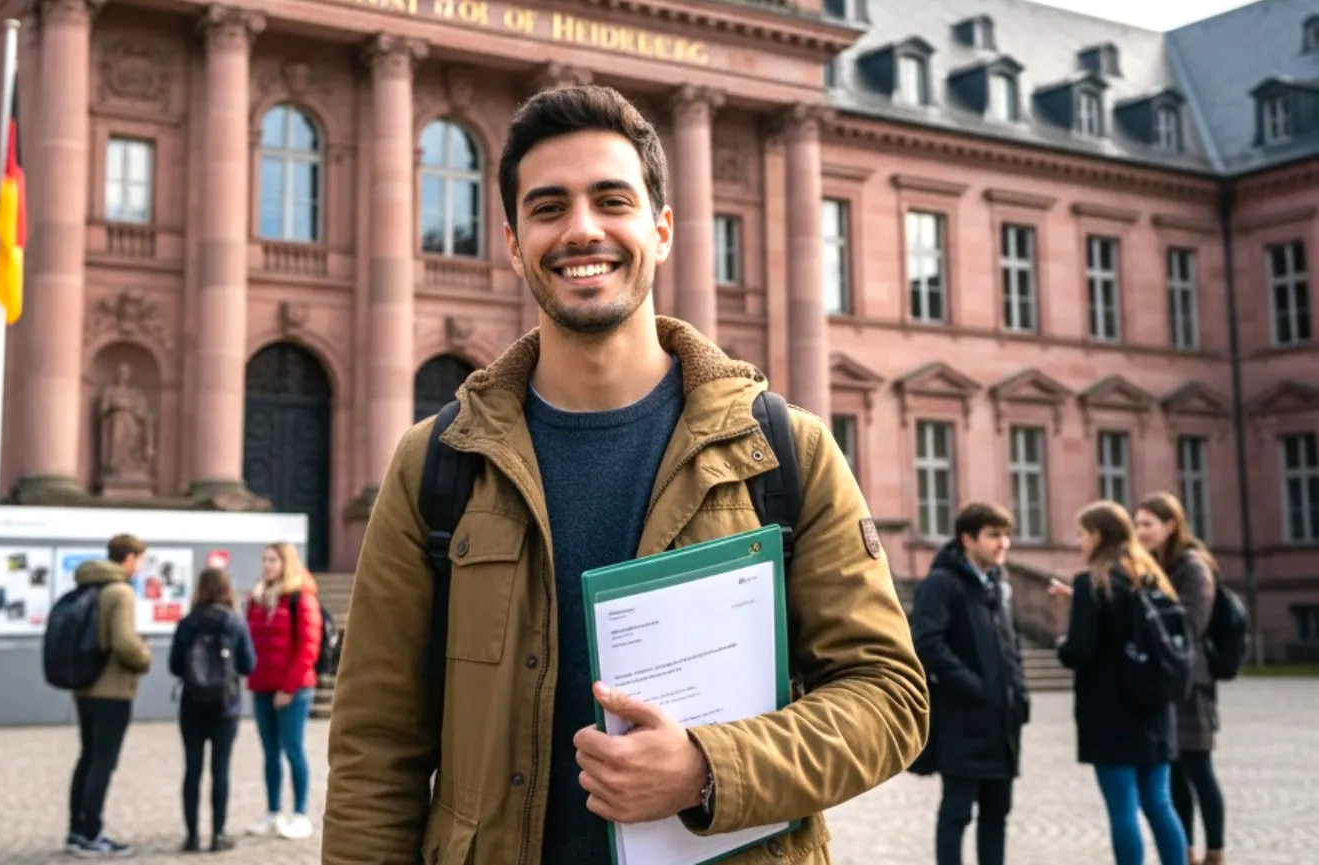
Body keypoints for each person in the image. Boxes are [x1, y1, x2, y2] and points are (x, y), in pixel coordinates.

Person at [322, 84, 929, 865]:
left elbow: (889, 695)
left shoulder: (786, 450)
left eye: (612, 200)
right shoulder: (437, 464)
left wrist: (712, 767)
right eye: (547, 208)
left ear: (663, 229)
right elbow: (377, 744)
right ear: (512, 242)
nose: (581, 230)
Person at [1052, 501, 1190, 865]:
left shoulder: (1092, 582)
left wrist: (1061, 637)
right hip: (1154, 707)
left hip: (1111, 712)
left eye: (1082, 533)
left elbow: (1078, 651)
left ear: (1098, 535)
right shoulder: (1150, 575)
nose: (1079, 540)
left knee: (1123, 807)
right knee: (1159, 802)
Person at [909, 502, 1028, 865]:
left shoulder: (1000, 584)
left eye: (1006, 535)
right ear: (967, 538)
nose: (1003, 543)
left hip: (1001, 723)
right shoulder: (942, 583)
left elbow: (1012, 646)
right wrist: (974, 687)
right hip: (963, 720)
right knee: (957, 813)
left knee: (997, 815)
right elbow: (927, 643)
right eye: (993, 535)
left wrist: (1018, 694)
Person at [1134, 492, 1226, 865]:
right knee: (1172, 773)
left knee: (1199, 768)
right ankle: (1184, 851)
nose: (1140, 532)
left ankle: (1216, 851)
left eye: (1147, 525)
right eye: (1136, 524)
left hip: (1193, 682)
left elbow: (1192, 622)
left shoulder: (1192, 566)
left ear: (1170, 526)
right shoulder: (1149, 565)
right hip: (1165, 681)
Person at [67, 533, 152, 857]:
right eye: (141, 560)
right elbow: (124, 643)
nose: (141, 566)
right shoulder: (120, 592)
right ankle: (93, 834)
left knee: (87, 757)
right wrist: (144, 656)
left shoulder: (90, 585)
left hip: (85, 687)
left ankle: (76, 830)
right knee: (103, 762)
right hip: (113, 690)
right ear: (129, 559)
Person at [169, 565, 257, 853]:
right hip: (225, 705)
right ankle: (218, 835)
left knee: (192, 769)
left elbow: (174, 665)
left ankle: (192, 836)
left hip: (192, 704)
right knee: (221, 769)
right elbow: (248, 664)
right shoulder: (234, 622)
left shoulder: (188, 622)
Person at [244, 541, 322, 841]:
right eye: (264, 560)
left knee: (294, 749)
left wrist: (289, 687)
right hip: (263, 686)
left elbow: (308, 647)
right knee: (270, 753)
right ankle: (273, 813)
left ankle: (300, 814)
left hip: (294, 689)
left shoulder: (300, 597)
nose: (266, 565)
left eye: (273, 560)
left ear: (285, 563)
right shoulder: (257, 597)